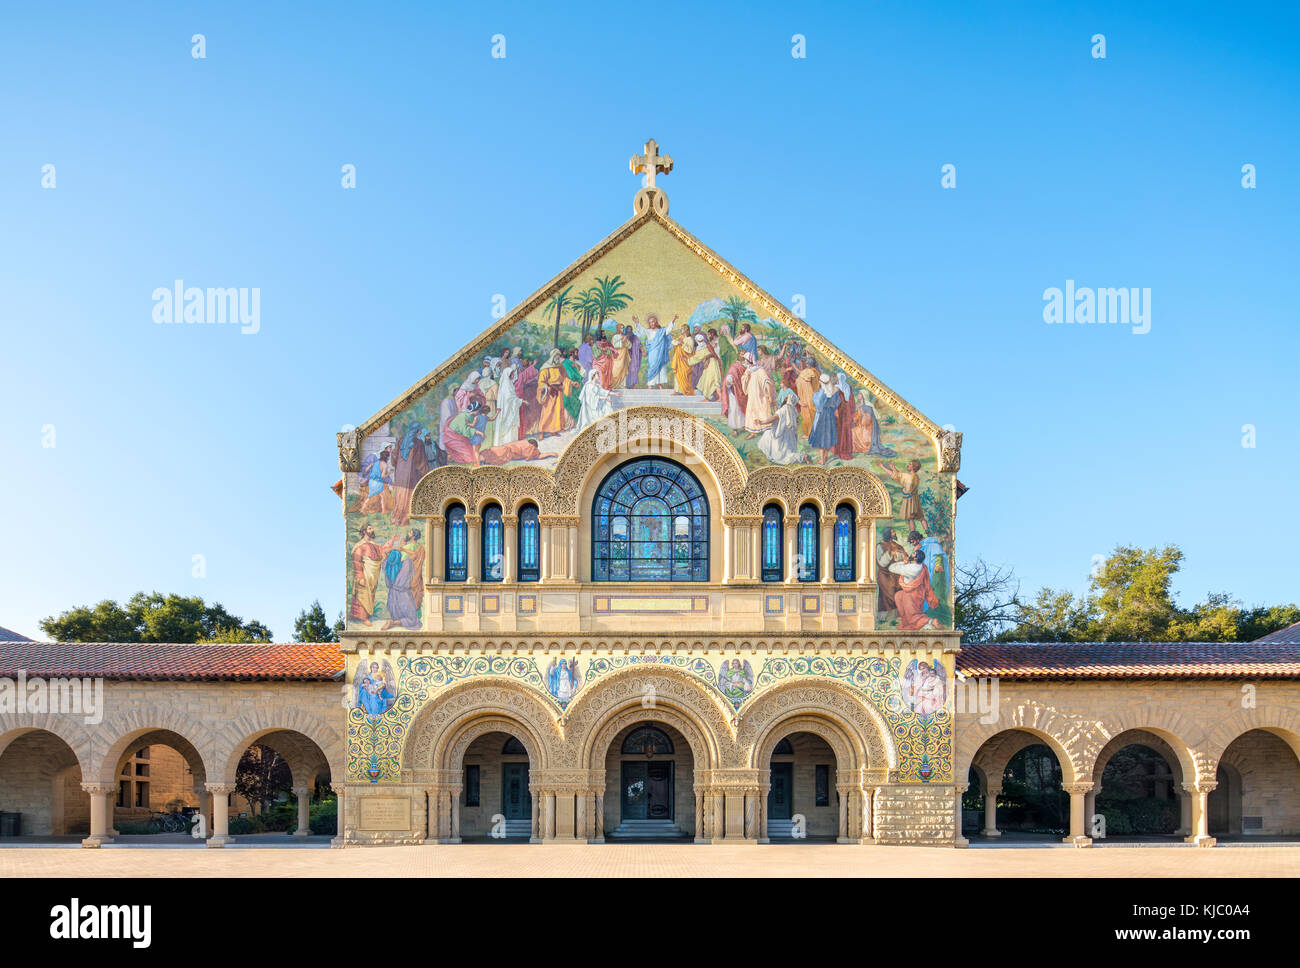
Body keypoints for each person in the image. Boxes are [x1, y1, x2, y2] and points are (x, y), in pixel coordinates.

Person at [381, 529, 424, 630]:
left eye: (410, 532)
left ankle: (392, 621)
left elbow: (385, 554)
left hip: (392, 597)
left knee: (400, 615)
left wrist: (396, 548)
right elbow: (414, 556)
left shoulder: (387, 565)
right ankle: (392, 623)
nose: (408, 533)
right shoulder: (406, 564)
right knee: (414, 621)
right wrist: (402, 548)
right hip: (403, 594)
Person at [891, 550, 940, 630]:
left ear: (915, 557)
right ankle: (905, 619)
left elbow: (892, 568)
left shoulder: (912, 568)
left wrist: (903, 563)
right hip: (916, 592)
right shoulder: (920, 566)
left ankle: (931, 621)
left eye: (913, 553)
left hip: (913, 593)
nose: (911, 553)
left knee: (913, 615)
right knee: (898, 595)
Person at [756, 388, 803, 464]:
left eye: (786, 397)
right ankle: (800, 456)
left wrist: (762, 422)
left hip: (781, 437)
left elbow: (773, 418)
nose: (784, 398)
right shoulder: (793, 410)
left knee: (767, 434)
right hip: (790, 438)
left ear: (787, 400)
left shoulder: (784, 409)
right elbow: (796, 422)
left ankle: (802, 457)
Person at [349, 525, 384, 625]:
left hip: (373, 575)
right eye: (369, 528)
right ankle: (363, 618)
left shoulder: (374, 545)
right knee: (362, 595)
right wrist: (360, 577)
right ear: (364, 531)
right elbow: (357, 561)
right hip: (364, 575)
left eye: (372, 528)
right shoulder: (359, 546)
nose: (372, 530)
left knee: (370, 595)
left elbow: (381, 554)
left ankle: (367, 616)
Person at [633, 313, 677, 388]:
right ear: (649, 323)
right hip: (652, 352)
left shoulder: (661, 331)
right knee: (652, 367)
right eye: (650, 322)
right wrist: (637, 322)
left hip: (660, 352)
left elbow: (668, 329)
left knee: (661, 367)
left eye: (653, 321)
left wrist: (673, 320)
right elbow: (642, 331)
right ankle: (650, 384)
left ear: (656, 322)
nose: (652, 323)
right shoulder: (648, 331)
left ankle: (659, 384)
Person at [536, 349, 574, 438]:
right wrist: (546, 387)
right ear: (552, 356)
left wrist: (571, 383)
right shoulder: (546, 367)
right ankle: (542, 431)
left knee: (557, 411)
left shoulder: (560, 367)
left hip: (559, 391)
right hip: (549, 392)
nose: (558, 357)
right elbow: (541, 381)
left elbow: (565, 378)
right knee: (547, 412)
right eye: (557, 355)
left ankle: (554, 430)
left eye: (559, 355)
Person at [881, 459, 925, 532]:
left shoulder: (909, 476)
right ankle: (927, 531)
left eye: (910, 464)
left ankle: (912, 533)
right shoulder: (915, 476)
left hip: (909, 499)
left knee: (910, 518)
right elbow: (900, 475)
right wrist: (893, 468)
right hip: (915, 498)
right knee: (921, 517)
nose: (908, 465)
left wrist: (882, 467)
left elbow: (896, 476)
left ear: (913, 467)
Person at [808, 374, 841, 464]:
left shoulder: (822, 392)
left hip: (822, 416)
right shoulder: (835, 391)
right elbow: (837, 404)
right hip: (830, 416)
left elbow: (818, 404)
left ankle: (822, 460)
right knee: (827, 437)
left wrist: (816, 395)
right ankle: (825, 457)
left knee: (820, 438)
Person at [443, 400, 487, 464]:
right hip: (452, 437)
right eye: (478, 410)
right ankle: (451, 456)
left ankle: (452, 456)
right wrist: (479, 432)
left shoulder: (471, 416)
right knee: (469, 456)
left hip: (461, 437)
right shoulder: (463, 416)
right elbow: (465, 431)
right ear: (476, 410)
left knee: (472, 451)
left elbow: (471, 426)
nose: (479, 412)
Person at [742, 354, 775, 438]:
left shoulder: (760, 370)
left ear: (749, 360)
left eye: (745, 360)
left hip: (760, 396)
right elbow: (744, 380)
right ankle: (753, 432)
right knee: (751, 412)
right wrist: (747, 377)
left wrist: (770, 396)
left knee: (762, 411)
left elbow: (767, 382)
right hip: (752, 396)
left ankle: (766, 431)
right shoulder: (748, 370)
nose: (744, 361)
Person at [875, 527, 907, 615]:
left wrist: (901, 556)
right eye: (893, 532)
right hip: (885, 575)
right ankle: (885, 615)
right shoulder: (880, 546)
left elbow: (904, 556)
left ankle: (898, 614)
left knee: (899, 593)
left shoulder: (897, 546)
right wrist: (890, 554)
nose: (894, 533)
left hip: (896, 575)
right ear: (888, 533)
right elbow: (881, 562)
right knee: (886, 596)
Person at [577, 367, 616, 432]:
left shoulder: (597, 386)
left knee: (606, 405)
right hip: (590, 408)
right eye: (597, 374)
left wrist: (614, 394)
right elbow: (592, 398)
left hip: (596, 405)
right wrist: (605, 398)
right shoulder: (589, 386)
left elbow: (604, 392)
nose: (599, 376)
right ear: (593, 376)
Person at [493, 359, 522, 446]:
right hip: (507, 410)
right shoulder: (506, 384)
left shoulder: (509, 383)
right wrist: (521, 401)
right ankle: (507, 445)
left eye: (513, 373)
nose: (513, 375)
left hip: (510, 409)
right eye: (511, 374)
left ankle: (512, 445)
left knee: (512, 429)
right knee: (507, 429)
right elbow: (509, 398)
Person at [687, 332, 721, 400]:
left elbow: (698, 357)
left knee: (710, 380)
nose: (700, 342)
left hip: (712, 364)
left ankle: (715, 398)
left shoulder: (705, 347)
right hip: (711, 363)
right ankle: (713, 397)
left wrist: (687, 360)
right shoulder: (705, 346)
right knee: (710, 381)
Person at [721, 355, 749, 434]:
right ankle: (735, 429)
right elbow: (729, 378)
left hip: (742, 392)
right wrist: (730, 382)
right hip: (734, 393)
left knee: (741, 409)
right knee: (734, 410)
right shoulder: (734, 367)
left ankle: (743, 425)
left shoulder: (745, 367)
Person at [834, 371, 855, 461]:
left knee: (841, 430)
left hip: (841, 410)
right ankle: (846, 449)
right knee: (845, 430)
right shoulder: (848, 387)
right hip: (847, 410)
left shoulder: (837, 388)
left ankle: (841, 450)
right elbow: (851, 401)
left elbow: (835, 401)